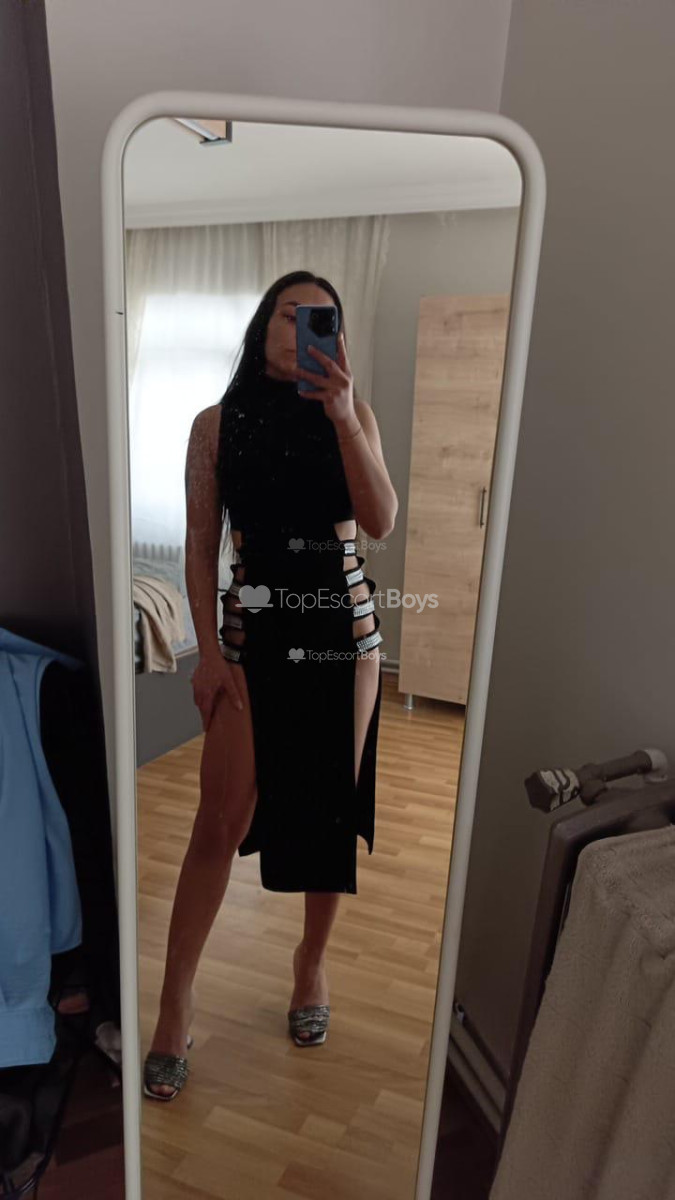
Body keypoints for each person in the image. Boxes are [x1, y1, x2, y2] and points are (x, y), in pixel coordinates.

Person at [143, 271, 398, 1100]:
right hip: (251, 635)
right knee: (219, 818)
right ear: (263, 327)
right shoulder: (214, 426)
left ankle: (310, 964)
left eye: (324, 318)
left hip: (341, 634)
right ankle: (174, 1005)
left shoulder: (354, 415)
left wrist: (343, 415)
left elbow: (379, 520)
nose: (306, 328)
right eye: (293, 314)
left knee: (327, 811)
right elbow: (197, 544)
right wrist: (206, 655)